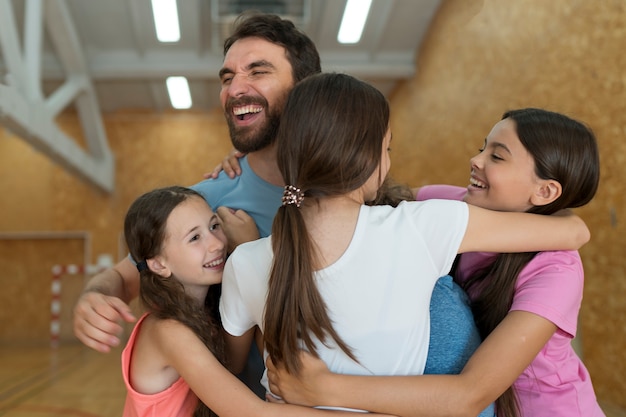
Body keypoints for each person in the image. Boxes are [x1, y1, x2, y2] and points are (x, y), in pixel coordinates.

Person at [218, 73, 590, 415]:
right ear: (370, 159)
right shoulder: (433, 219)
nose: (474, 160)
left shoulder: (245, 263)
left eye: (496, 156)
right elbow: (574, 231)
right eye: (388, 149)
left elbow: (575, 235)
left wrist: (321, 389)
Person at [72, 12, 322, 397]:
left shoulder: (345, 191)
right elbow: (125, 276)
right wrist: (96, 295)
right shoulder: (206, 204)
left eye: (257, 71)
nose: (235, 88)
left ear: (305, 88)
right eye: (227, 77)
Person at [120, 185, 395, 417]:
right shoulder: (167, 331)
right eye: (195, 238)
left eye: (214, 225)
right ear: (158, 264)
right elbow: (252, 412)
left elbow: (232, 365)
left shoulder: (201, 314)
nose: (216, 243)